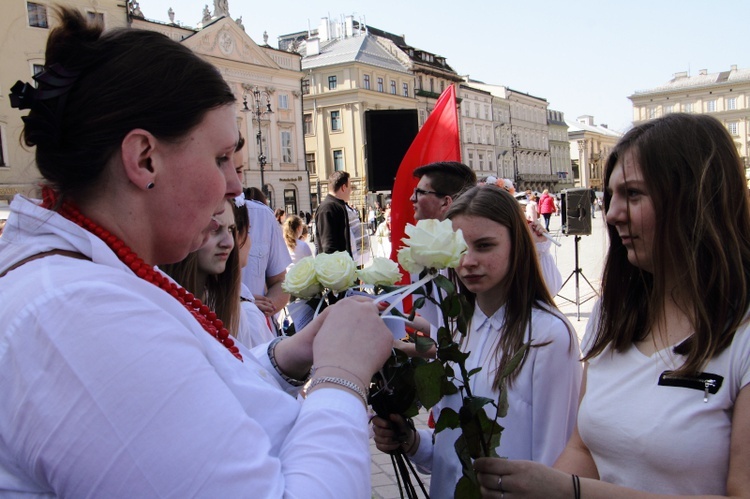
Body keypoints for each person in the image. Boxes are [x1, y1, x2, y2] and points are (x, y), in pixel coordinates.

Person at [0, 9, 393, 496]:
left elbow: (197, 397)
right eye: (220, 158)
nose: (234, 185)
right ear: (144, 158)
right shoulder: (73, 312)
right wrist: (342, 376)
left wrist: (288, 355)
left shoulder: (93, 277)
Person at [473, 113, 750, 498]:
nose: (614, 213)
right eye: (612, 195)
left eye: (633, 194)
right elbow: (583, 447)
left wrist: (570, 492)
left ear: (694, 199)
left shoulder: (743, 333)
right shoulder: (613, 313)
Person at [373, 185, 581, 498]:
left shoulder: (548, 336)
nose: (468, 260)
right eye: (459, 248)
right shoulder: (459, 326)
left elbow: (553, 466)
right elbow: (450, 454)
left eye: (484, 246)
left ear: (517, 245)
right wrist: (411, 441)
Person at [161, 199, 242, 336]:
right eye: (214, 229)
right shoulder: (159, 304)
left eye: (230, 229)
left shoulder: (233, 310)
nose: (228, 243)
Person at [314, 170, 353, 255]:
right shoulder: (327, 208)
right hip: (335, 266)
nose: (351, 191)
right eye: (350, 187)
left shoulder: (338, 205)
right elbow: (328, 246)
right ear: (343, 187)